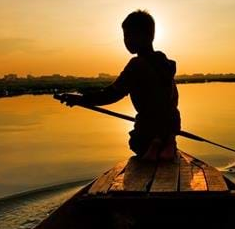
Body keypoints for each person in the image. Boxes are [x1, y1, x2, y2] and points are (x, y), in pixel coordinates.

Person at [58, 10, 181, 161]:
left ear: (146, 36)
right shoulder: (164, 63)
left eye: (130, 35)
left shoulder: (136, 65)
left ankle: (155, 142)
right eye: (125, 36)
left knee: (135, 143)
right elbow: (171, 99)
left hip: (149, 127)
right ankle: (167, 140)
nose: (126, 40)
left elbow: (110, 94)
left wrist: (81, 99)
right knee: (164, 117)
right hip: (171, 124)